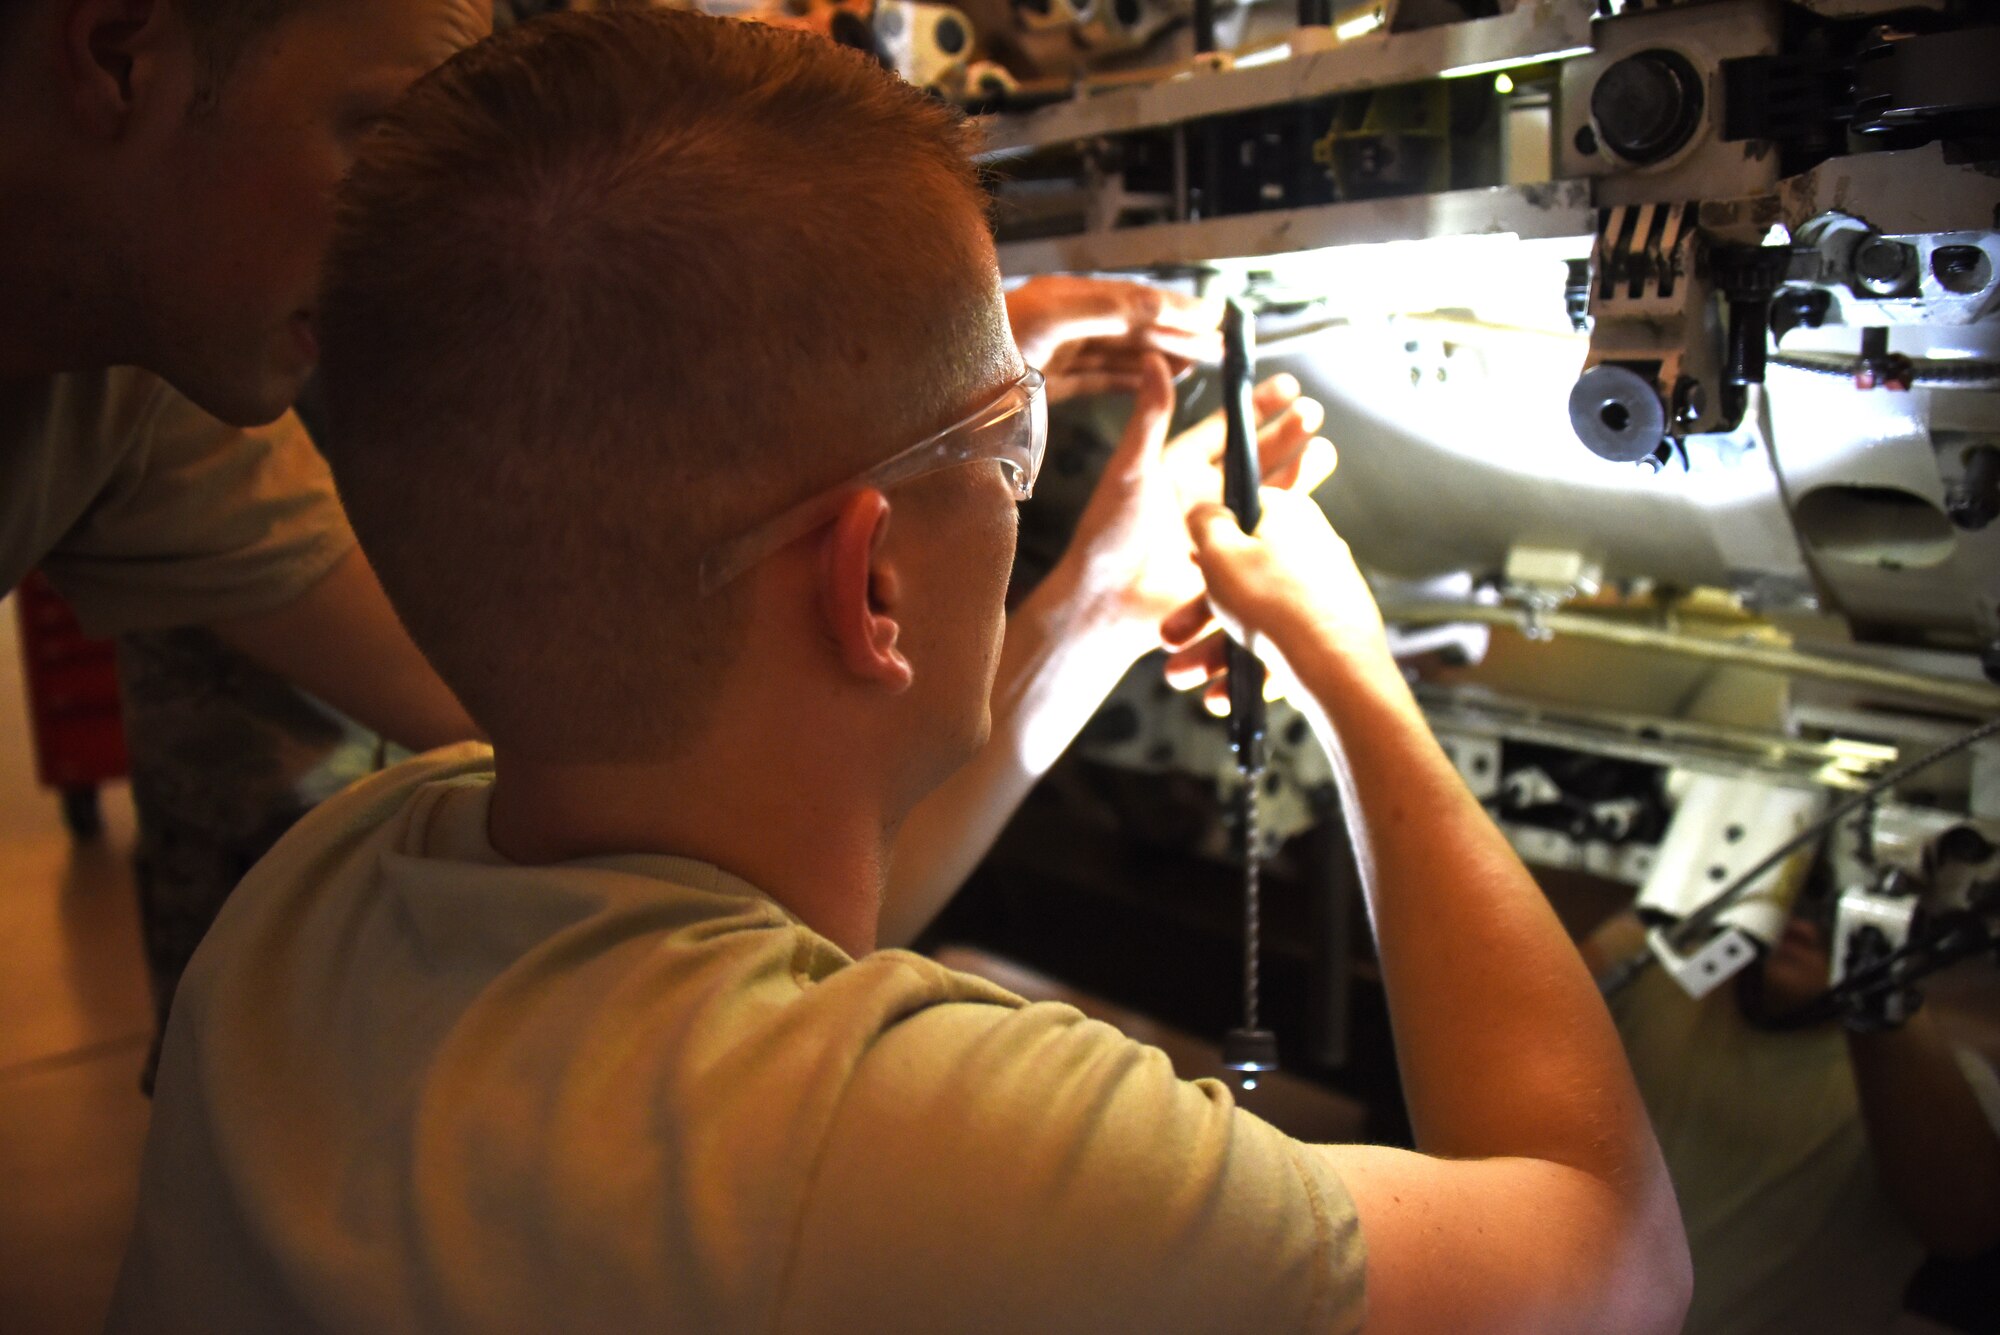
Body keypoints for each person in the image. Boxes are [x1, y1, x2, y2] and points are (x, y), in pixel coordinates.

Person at [113, 12, 1690, 1332]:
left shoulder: (312, 897)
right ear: (870, 578)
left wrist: (1091, 597)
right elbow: (1616, 1256)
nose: (1029, 469)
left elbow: (760, 945)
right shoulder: (956, 1146)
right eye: (1014, 441)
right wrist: (1356, 677)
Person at [0, 0, 1298, 1051]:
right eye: (373, 132)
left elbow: (632, 718)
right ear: (118, 54)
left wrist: (917, 415)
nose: (407, 244)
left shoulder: (137, 409)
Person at [1585, 903, 2000, 1334]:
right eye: (1805, 880)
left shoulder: (1937, 1084)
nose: (1809, 913)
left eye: (1835, 895)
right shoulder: (1656, 972)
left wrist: (1873, 972)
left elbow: (1965, 1229)